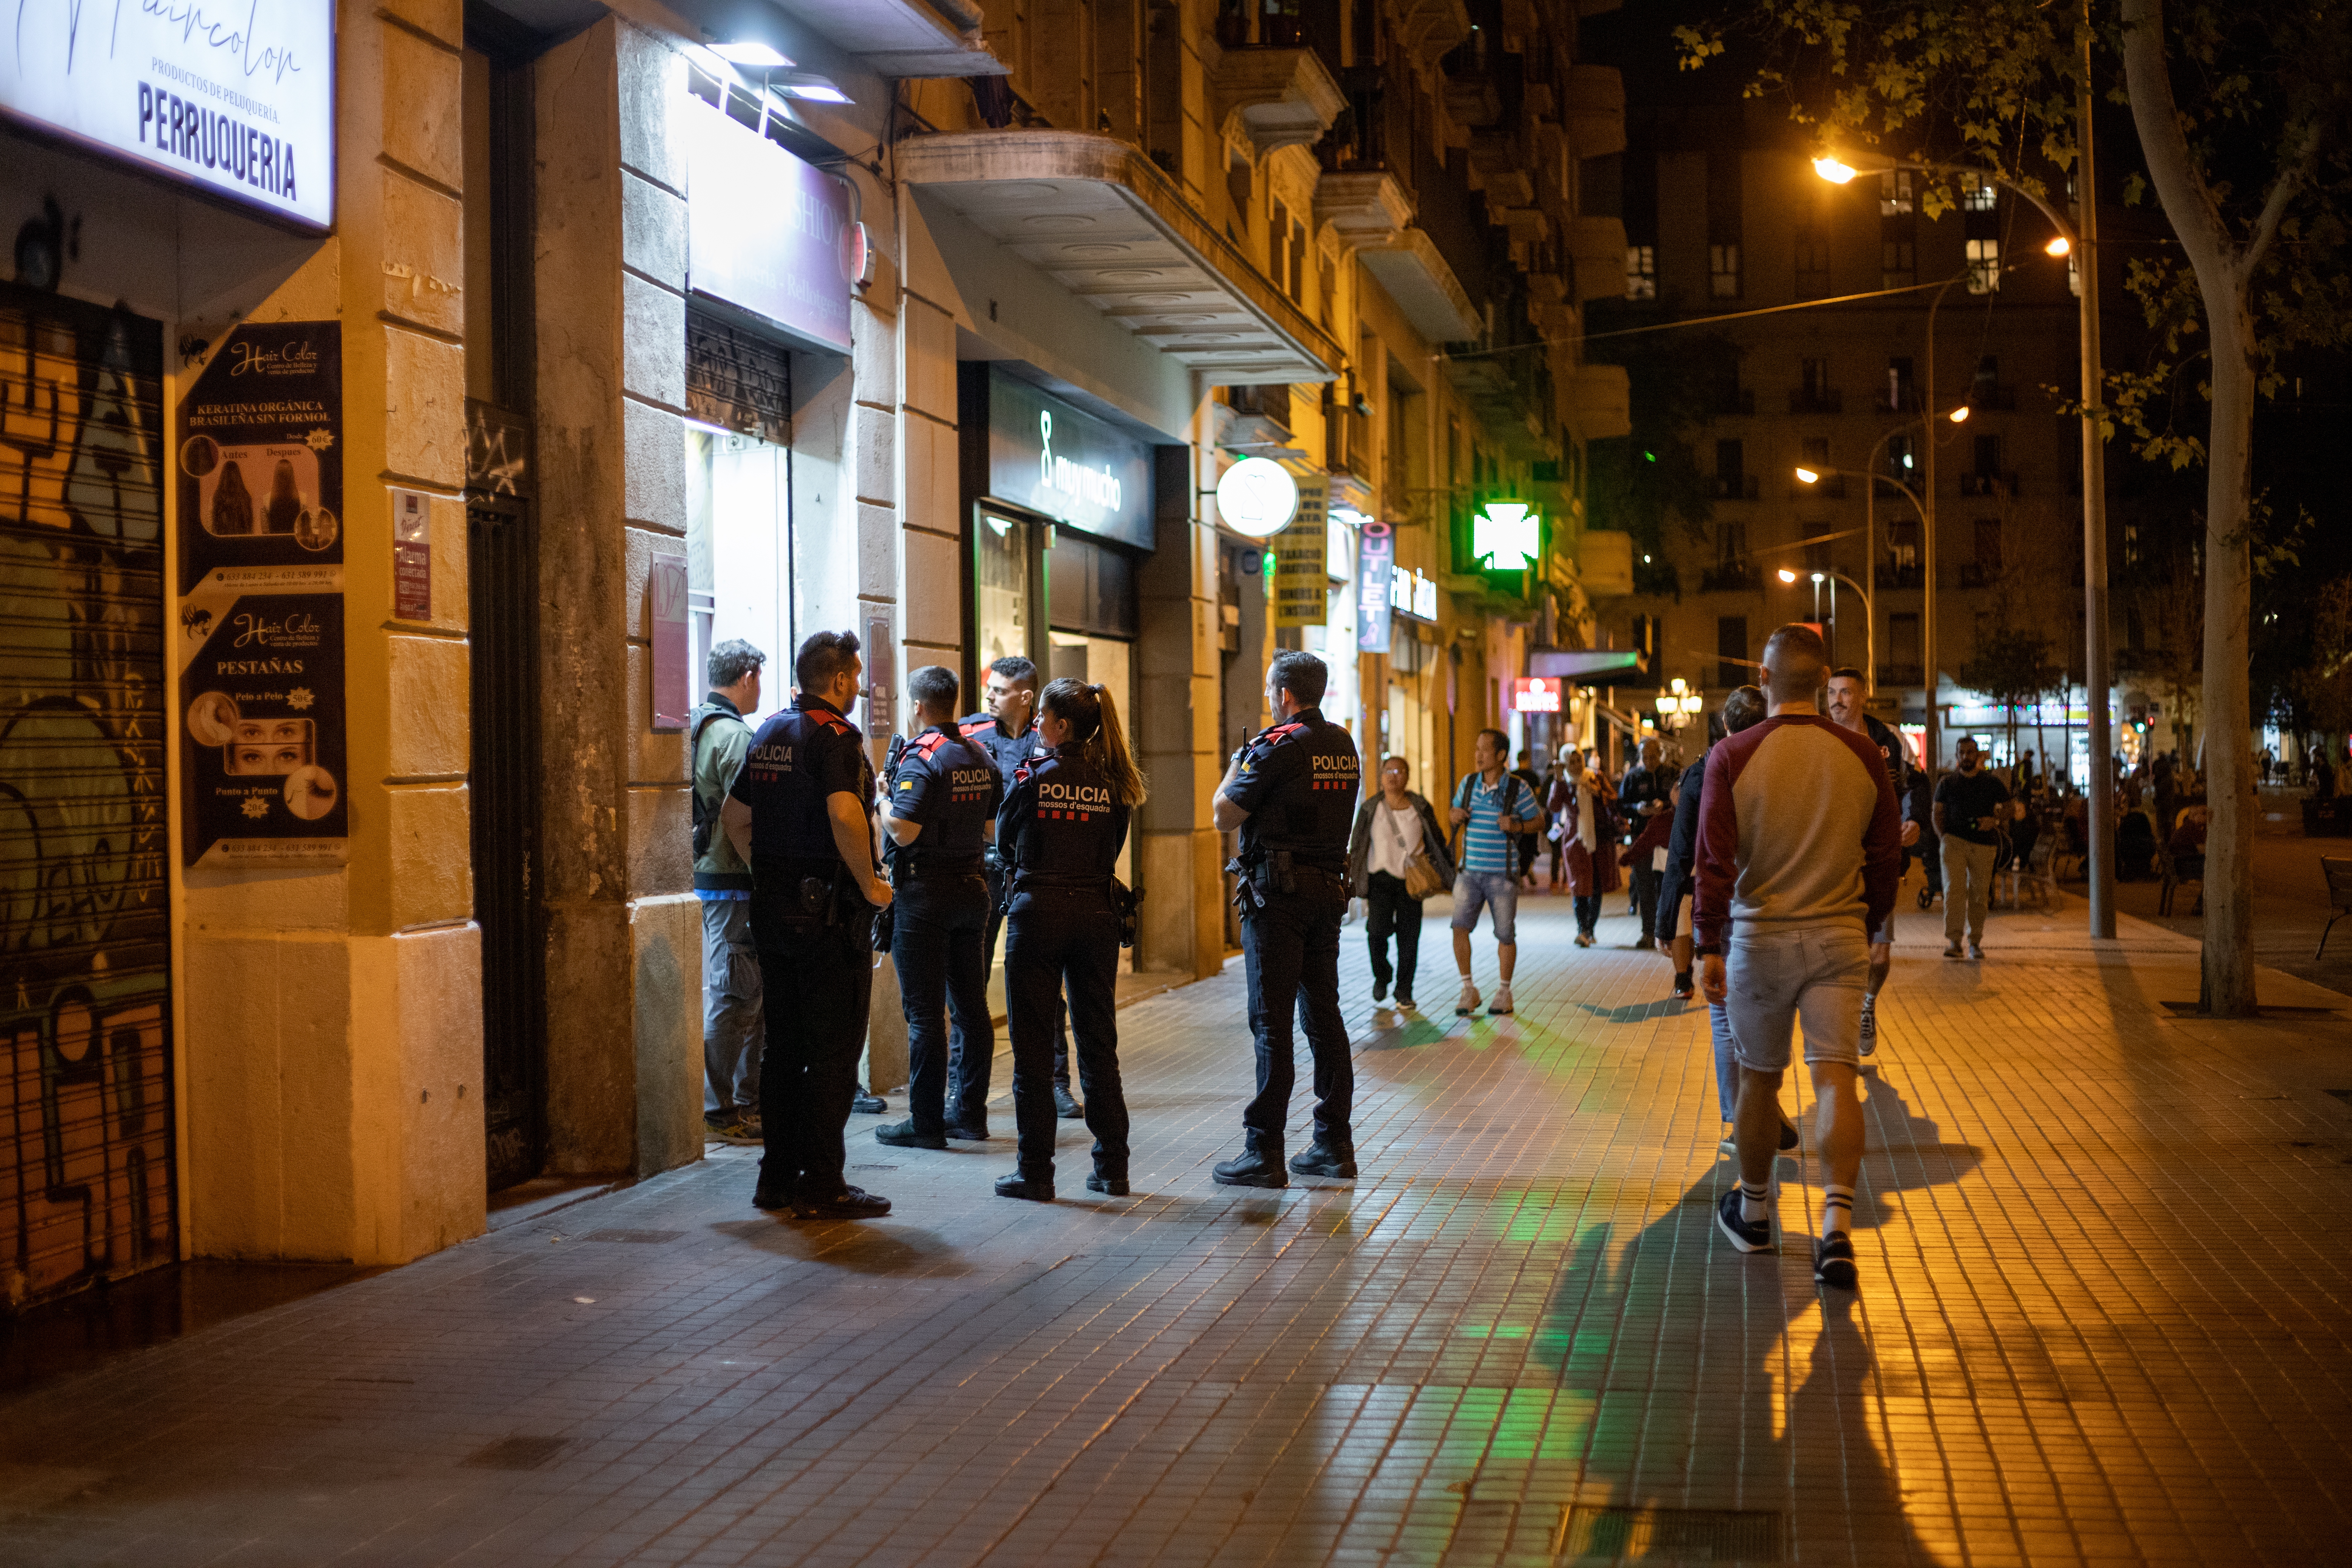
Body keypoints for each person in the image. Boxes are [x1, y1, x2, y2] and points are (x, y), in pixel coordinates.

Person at [1697, 624, 1901, 1291]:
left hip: (1760, 937)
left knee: (1760, 1080)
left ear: (1764, 678)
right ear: (1822, 684)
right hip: (1840, 935)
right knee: (1835, 1076)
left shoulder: (1733, 755)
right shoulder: (1865, 755)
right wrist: (1867, 923)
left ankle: (1755, 1213)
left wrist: (1707, 942)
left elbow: (1713, 861)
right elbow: (1885, 858)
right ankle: (1836, 1229)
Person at [719, 629, 892, 1220]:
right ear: (840, 680)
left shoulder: (768, 732)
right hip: (828, 920)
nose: (861, 685)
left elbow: (734, 816)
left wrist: (765, 870)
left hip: (774, 911)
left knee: (783, 1050)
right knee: (834, 1055)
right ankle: (823, 1185)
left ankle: (775, 1180)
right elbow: (845, 812)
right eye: (857, 676)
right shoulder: (837, 737)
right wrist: (871, 885)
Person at [1211, 650, 1361, 1187]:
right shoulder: (1343, 743)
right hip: (1325, 893)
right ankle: (1334, 1144)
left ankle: (1264, 1151)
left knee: (1271, 1023)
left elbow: (1223, 814)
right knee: (1324, 1015)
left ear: (1285, 695)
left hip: (1277, 900)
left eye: (1272, 690)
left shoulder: (1274, 748)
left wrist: (1238, 761)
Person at [992, 678, 1145, 1200]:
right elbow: (1114, 845)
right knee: (1099, 1043)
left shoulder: (1034, 776)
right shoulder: (1112, 784)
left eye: (1043, 719)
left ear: (1061, 726)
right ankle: (1113, 1167)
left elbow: (1003, 839)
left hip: (1038, 916)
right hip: (1097, 914)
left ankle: (1035, 1172)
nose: (1036, 726)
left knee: (1033, 1048)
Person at [1658, 685, 1799, 1152]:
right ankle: (1763, 1107)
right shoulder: (1787, 769)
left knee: (1724, 1019)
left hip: (1725, 908)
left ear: (1724, 727)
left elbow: (1683, 855)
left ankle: (1743, 1119)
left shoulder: (1705, 773)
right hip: (1781, 909)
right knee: (1768, 1013)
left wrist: (1666, 921)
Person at [875, 666, 1003, 1151]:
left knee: (926, 1015)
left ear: (918, 706)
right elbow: (993, 828)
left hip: (924, 897)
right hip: (972, 890)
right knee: (971, 1010)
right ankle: (969, 1115)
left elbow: (903, 830)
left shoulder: (922, 756)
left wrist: (883, 801)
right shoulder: (980, 753)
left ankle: (925, 1122)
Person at [960, 657, 1081, 1121]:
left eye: (1001, 690)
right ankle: (966, 1088)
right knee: (969, 980)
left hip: (1033, 874)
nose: (989, 696)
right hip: (983, 872)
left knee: (1044, 982)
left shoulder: (1047, 738)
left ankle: (1056, 1083)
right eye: (989, 687)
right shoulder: (972, 734)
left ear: (1027, 697)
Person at [689, 638, 766, 1144]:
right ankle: (721, 1111)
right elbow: (746, 817)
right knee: (737, 997)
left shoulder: (695, 723)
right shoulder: (736, 737)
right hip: (734, 880)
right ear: (747, 677)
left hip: (709, 877)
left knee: (738, 993)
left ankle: (740, 1104)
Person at [1825, 666, 1921, 1058]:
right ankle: (1838, 1019)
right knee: (1842, 950)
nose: (1837, 699)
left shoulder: (1891, 739)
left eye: (1846, 692)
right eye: (1831, 692)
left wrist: (1913, 819)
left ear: (1863, 696)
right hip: (1832, 863)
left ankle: (1867, 1003)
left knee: (1878, 955)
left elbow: (1915, 784)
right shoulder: (1818, 738)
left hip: (1881, 860)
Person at [1348, 755, 1453, 1010]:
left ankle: (1404, 991)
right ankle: (1382, 976)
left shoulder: (1420, 806)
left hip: (1411, 883)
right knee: (1376, 933)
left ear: (1408, 776)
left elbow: (1436, 841)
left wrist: (1445, 872)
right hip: (1379, 880)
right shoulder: (1371, 808)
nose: (1394, 776)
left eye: (1400, 771)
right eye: (1389, 771)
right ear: (1382, 777)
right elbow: (1358, 844)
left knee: (1409, 938)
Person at [1447, 727, 1537, 1013]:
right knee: (1459, 928)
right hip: (1469, 871)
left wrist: (1518, 826)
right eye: (1477, 749)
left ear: (1500, 755)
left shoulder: (1518, 788)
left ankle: (1504, 993)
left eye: (1485, 750)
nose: (1478, 755)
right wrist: (1455, 815)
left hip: (1503, 874)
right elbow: (1451, 813)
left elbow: (1539, 821)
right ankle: (1468, 989)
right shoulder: (1469, 783)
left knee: (1505, 934)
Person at [1933, 737, 2012, 960]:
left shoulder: (1991, 782)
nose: (1966, 756)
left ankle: (1975, 942)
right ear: (1957, 755)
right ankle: (1954, 942)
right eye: (1962, 752)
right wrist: (1944, 838)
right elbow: (1937, 812)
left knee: (1979, 894)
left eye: (1970, 752)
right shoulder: (1947, 783)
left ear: (1978, 755)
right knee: (1953, 892)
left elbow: (2009, 807)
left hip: (1984, 844)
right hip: (1954, 843)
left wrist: (1994, 820)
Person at [1550, 746, 1619, 948]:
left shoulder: (1596, 777)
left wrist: (1599, 793)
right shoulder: (1563, 783)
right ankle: (1582, 929)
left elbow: (1614, 800)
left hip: (1600, 838)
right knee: (1579, 885)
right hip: (1575, 839)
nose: (1576, 765)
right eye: (1571, 762)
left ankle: (1589, 929)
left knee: (1596, 886)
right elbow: (1554, 807)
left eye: (1579, 759)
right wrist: (1557, 780)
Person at [1616, 737, 1674, 949]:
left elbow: (1686, 800)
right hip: (1642, 839)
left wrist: (1665, 805)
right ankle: (1648, 932)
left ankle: (1666, 932)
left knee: (1667, 887)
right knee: (1645, 887)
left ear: (1660, 754)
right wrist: (1637, 808)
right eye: (1644, 757)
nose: (1649, 761)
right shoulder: (1633, 777)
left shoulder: (1671, 774)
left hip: (1668, 841)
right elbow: (1621, 805)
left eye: (1652, 756)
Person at [1510, 748, 1548, 888]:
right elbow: (1537, 794)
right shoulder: (1533, 776)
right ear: (1527, 760)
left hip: (1515, 817)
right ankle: (1529, 870)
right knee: (1530, 845)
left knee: (1517, 845)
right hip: (1530, 817)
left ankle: (1520, 874)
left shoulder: (1512, 776)